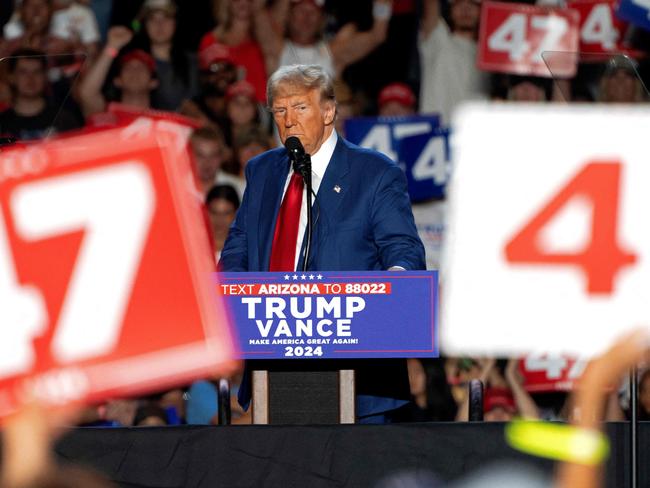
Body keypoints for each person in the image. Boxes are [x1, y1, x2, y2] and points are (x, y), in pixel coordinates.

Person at [220, 64, 426, 423]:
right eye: (279, 110)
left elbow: (403, 250)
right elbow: (239, 245)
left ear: (329, 111)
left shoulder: (374, 173)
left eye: (300, 107)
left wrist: (391, 293)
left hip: (359, 378)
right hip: (276, 363)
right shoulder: (262, 170)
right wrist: (230, 293)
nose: (288, 120)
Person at [419, 0, 489, 125]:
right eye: (459, 3)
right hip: (437, 135)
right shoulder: (438, 40)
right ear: (450, 9)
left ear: (482, 10)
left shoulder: (491, 54)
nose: (465, 9)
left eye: (473, 4)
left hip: (473, 136)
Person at [0, 48, 81, 140]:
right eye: (23, 72)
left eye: (37, 72)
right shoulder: (3, 123)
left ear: (45, 76)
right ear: (12, 77)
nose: (30, 78)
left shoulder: (64, 119)